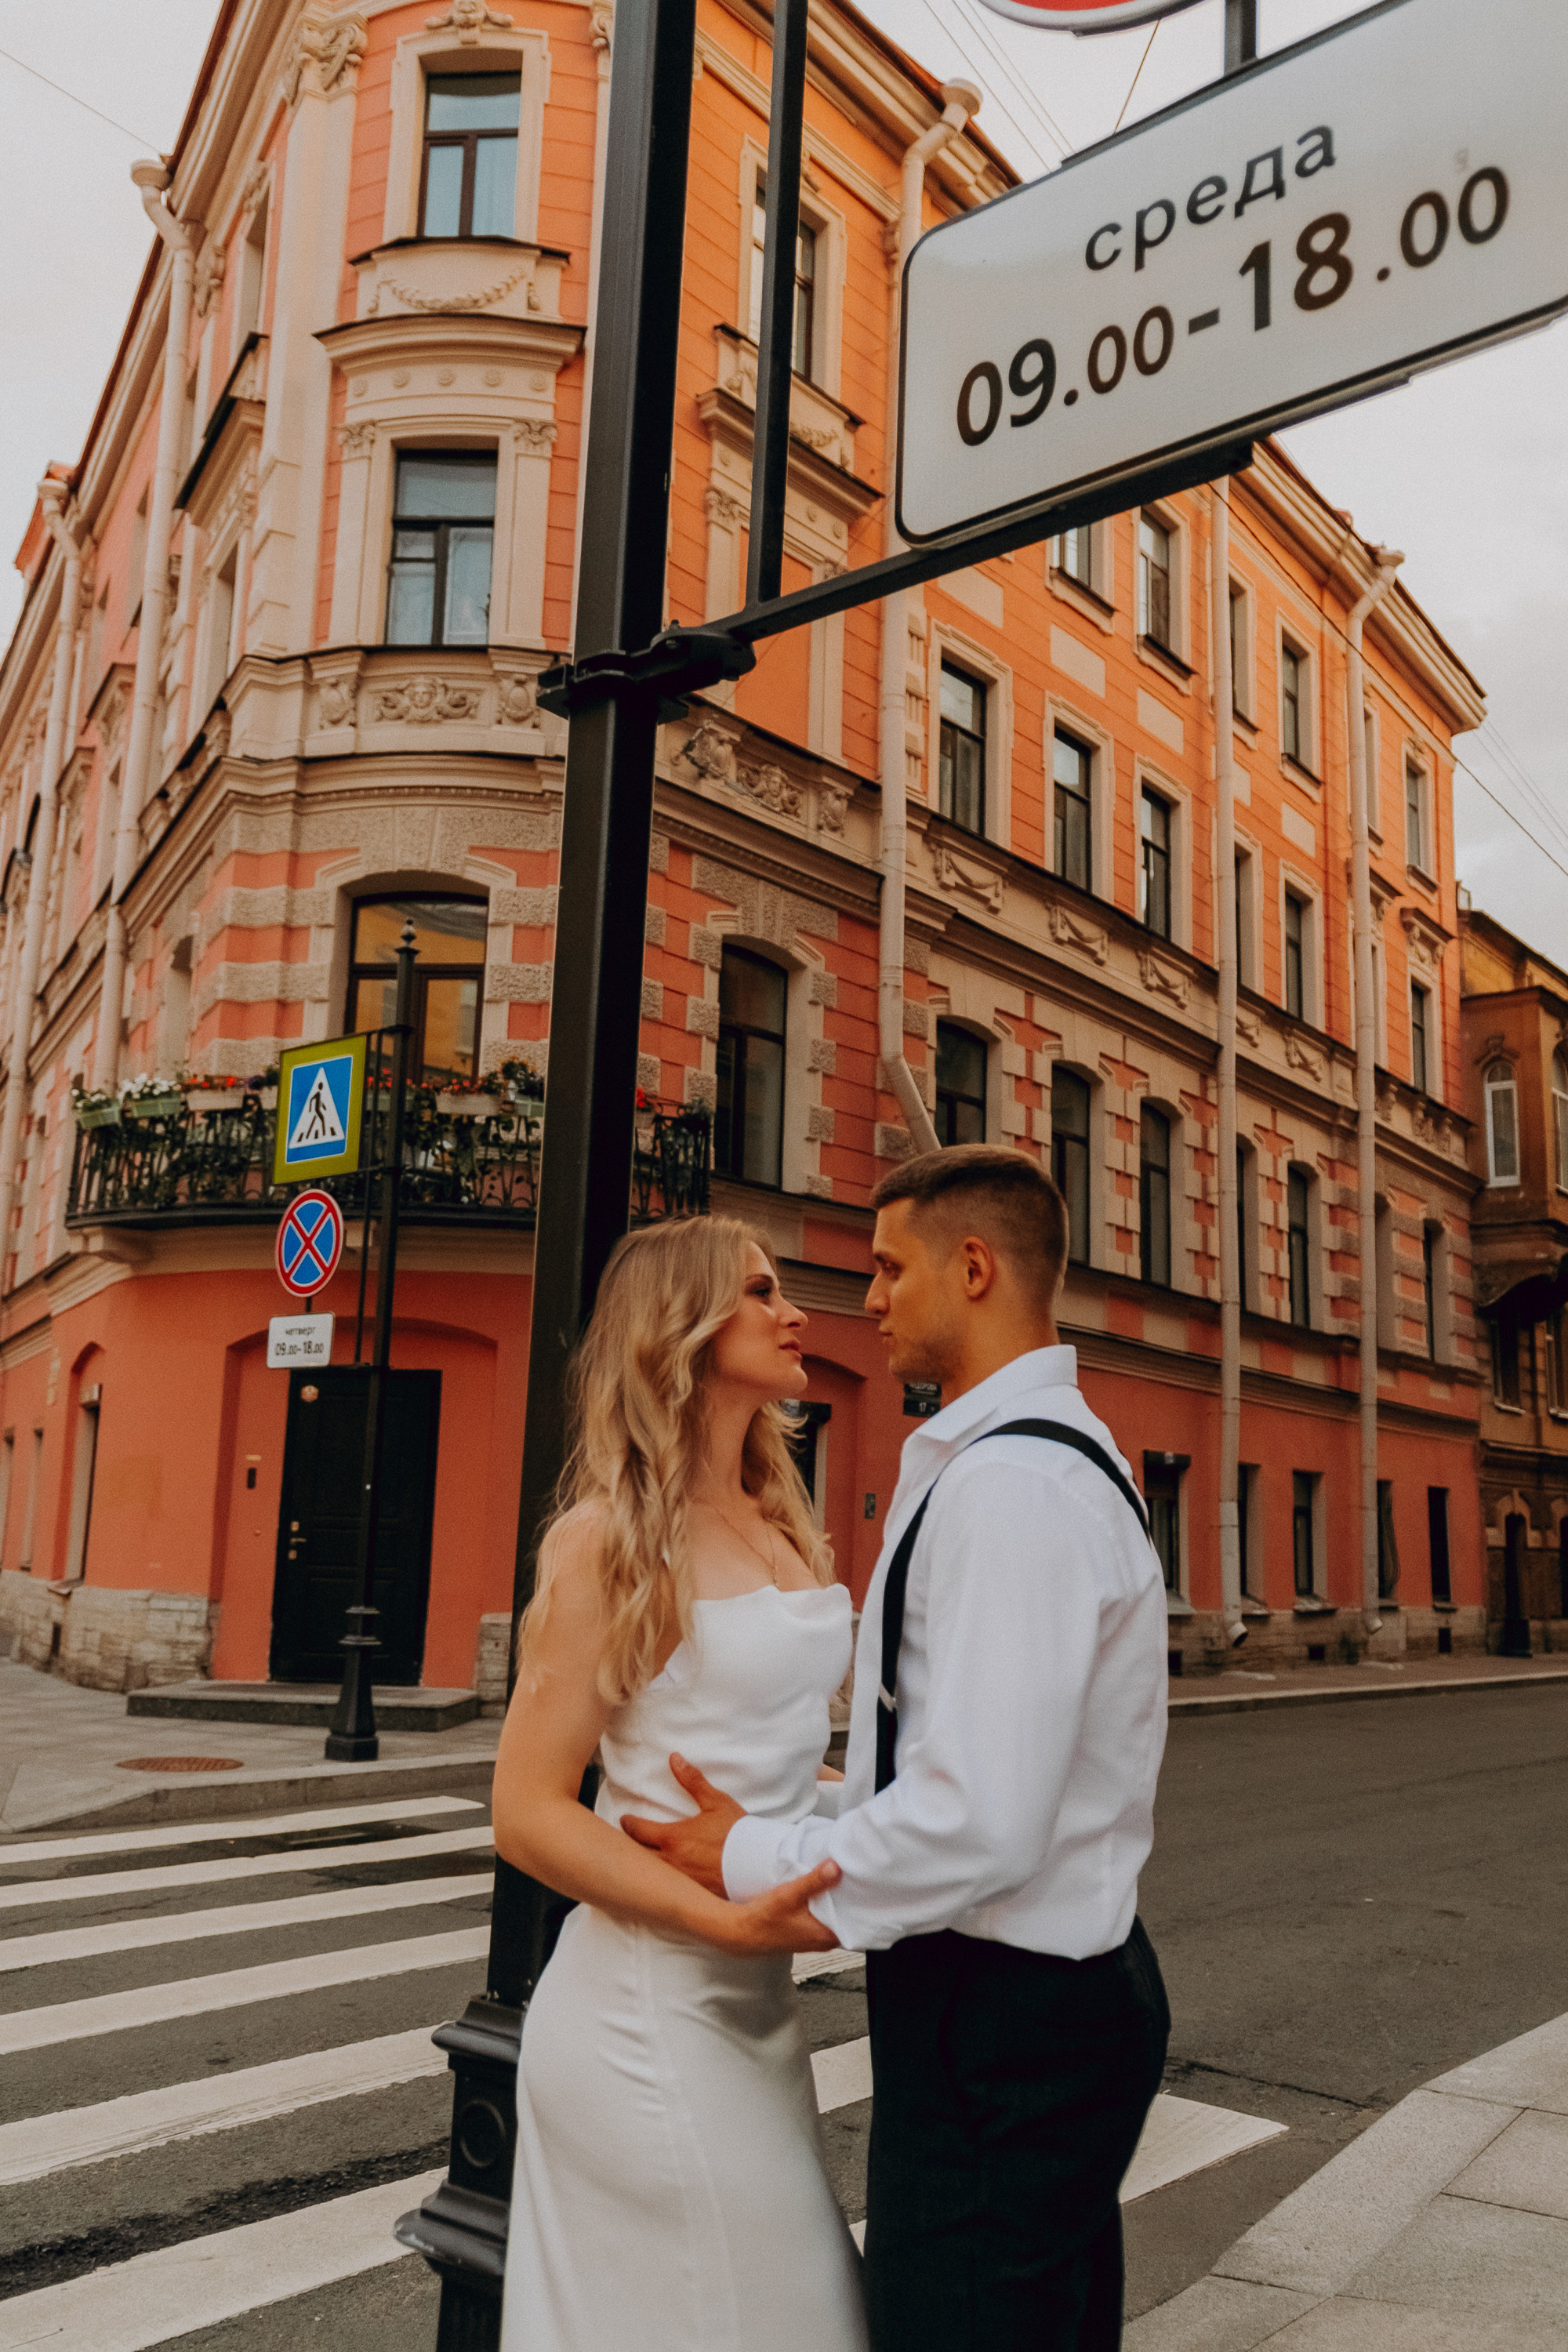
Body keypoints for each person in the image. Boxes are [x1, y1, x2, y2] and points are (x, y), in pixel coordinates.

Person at [625, 1145, 1171, 2351]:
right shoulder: (1035, 1459)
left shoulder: (1013, 1490)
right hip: (1041, 2005)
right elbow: (970, 1769)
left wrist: (752, 1853)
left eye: (888, 1267)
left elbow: (976, 1817)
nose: (862, 1298)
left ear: (972, 1269)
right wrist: (816, 1811)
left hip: (1004, 2024)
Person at [492, 1214, 868, 2352]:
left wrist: (886, 1820)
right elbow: (529, 1808)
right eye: (761, 1292)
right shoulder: (608, 1541)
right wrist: (725, 1915)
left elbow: (779, 1757)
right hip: (645, 2015)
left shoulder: (783, 1518)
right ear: (686, 1328)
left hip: (757, 2014)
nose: (793, 1311)